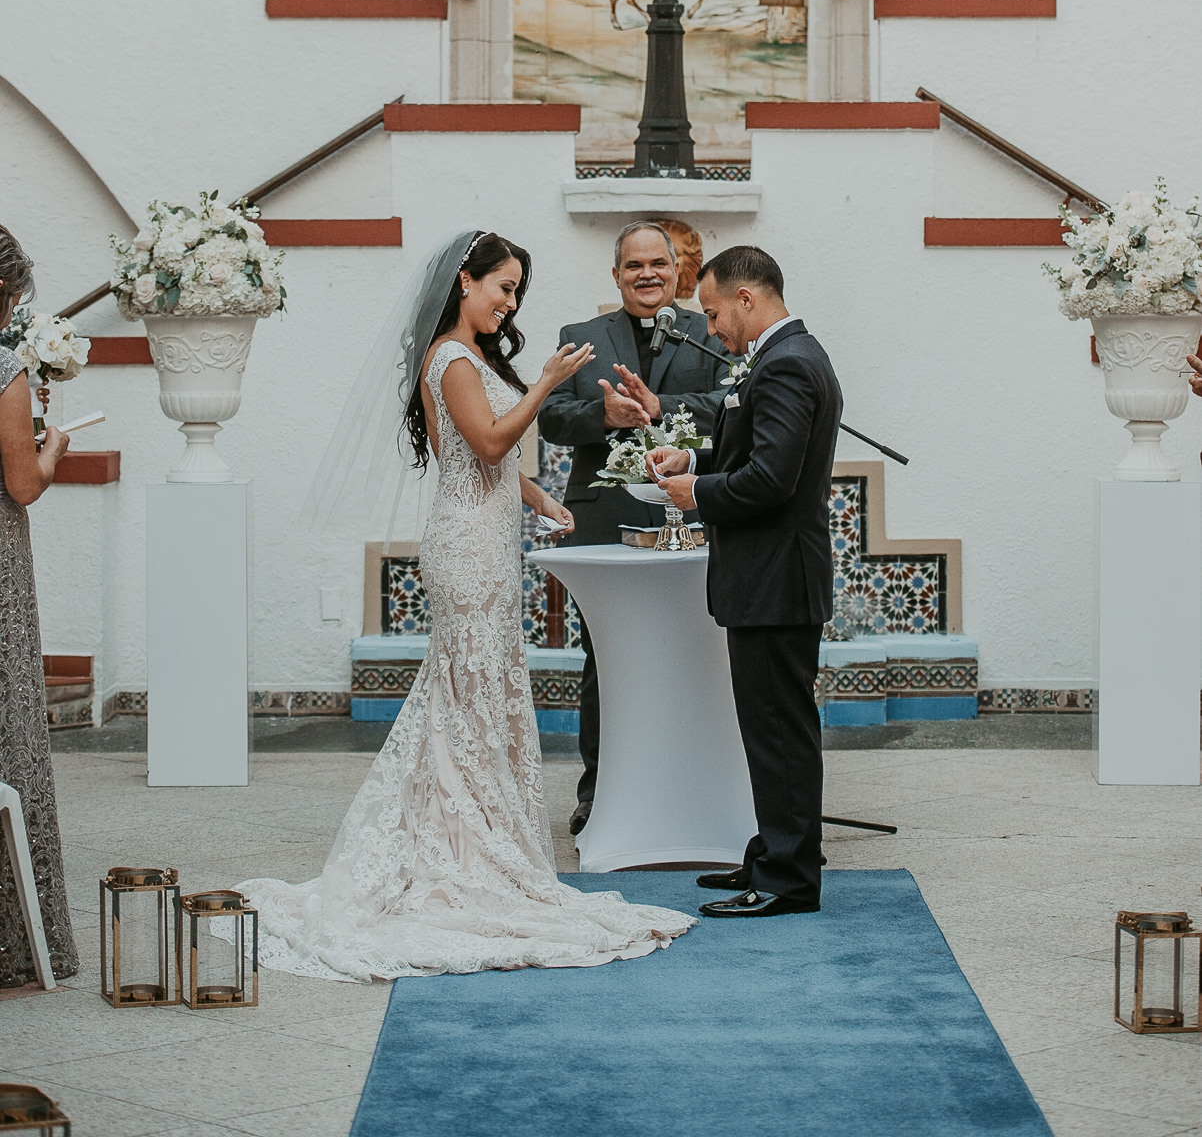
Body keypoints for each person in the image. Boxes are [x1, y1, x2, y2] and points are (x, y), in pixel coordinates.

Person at [235, 229, 694, 979]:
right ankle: (459, 844)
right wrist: (545, 383)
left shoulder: (474, 357)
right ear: (464, 282)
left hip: (489, 537)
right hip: (465, 546)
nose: (509, 301)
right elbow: (483, 445)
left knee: (475, 690)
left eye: (515, 290)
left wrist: (540, 494)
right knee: (462, 690)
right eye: (502, 286)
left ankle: (469, 833)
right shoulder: (449, 359)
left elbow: (494, 459)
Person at [649, 244, 842, 920]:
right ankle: (773, 853)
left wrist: (695, 489)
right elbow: (758, 451)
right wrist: (695, 454)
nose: (710, 328)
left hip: (775, 577)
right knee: (772, 725)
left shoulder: (788, 363)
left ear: (747, 299)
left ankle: (789, 879)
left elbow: (771, 479)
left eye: (712, 312)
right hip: (772, 575)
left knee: (779, 729)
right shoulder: (787, 356)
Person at [538, 221, 726, 837]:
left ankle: (695, 781)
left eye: (659, 265)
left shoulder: (710, 332)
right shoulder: (583, 337)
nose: (647, 275)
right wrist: (604, 414)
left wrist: (660, 409)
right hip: (605, 515)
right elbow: (553, 419)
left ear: (679, 273)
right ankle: (601, 789)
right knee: (606, 657)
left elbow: (730, 407)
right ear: (616, 274)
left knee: (698, 651)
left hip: (690, 511)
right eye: (633, 266)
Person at [0, 226, 78, 988]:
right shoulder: (3, 368)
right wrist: (50, 447)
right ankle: (16, 942)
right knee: (8, 732)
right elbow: (21, 486)